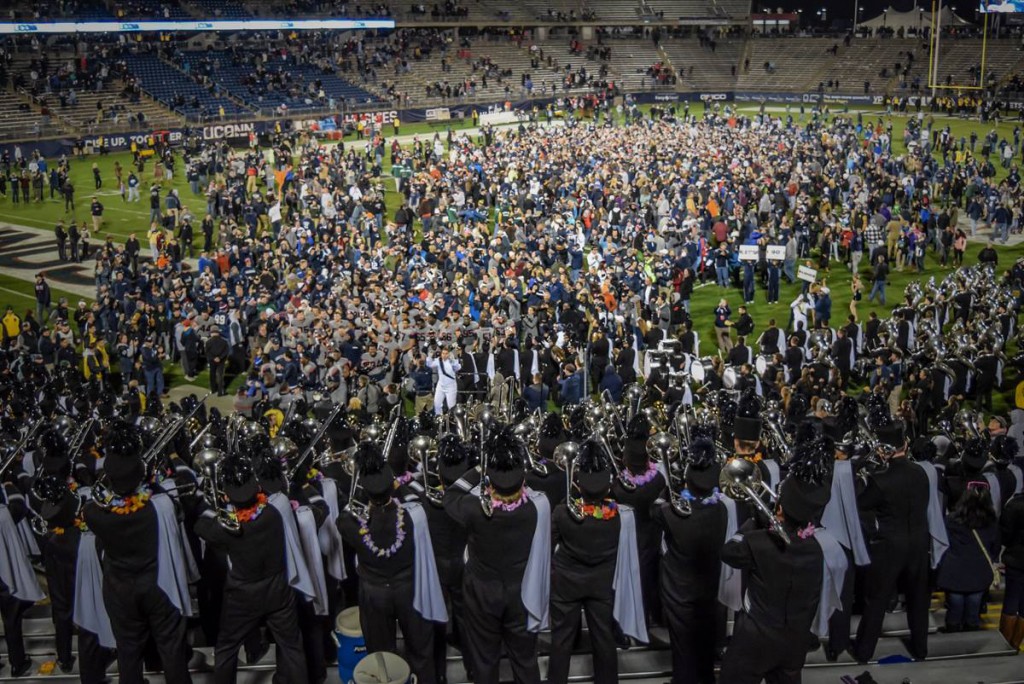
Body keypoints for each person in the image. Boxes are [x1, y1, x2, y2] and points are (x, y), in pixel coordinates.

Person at [718, 437, 847, 684]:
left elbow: (728, 552)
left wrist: (753, 522)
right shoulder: (826, 548)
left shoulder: (757, 542)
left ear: (780, 509)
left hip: (754, 640)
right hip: (795, 640)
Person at [82, 420, 194, 684]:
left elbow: (96, 498)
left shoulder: (94, 513)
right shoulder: (159, 506)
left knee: (128, 655)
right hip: (157, 587)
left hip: (120, 590)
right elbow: (177, 492)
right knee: (172, 651)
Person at [443, 426, 550, 684]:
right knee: (525, 661)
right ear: (521, 481)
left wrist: (481, 467)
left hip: (481, 592)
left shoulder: (473, 508)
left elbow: (451, 494)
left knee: (484, 661)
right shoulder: (538, 507)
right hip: (521, 593)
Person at [190, 453, 308, 683]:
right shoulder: (274, 513)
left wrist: (210, 502)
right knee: (292, 647)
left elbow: (200, 526)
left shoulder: (226, 528)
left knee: (226, 649)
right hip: (278, 590)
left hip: (242, 596)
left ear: (226, 495)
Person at [339, 441, 445, 683]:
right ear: (392, 486)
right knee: (420, 650)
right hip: (409, 589)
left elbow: (346, 512)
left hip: (374, 593)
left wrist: (362, 489)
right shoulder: (414, 515)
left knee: (381, 655)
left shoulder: (348, 522)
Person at [547, 441, 646, 684]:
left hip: (567, 585)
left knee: (561, 642)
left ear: (579, 483)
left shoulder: (562, 512)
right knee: (603, 640)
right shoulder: (619, 517)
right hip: (602, 585)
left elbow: (548, 545)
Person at [852, 399, 933, 663]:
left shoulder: (881, 478)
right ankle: (921, 649)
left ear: (884, 450)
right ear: (905, 445)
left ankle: (864, 651)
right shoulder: (921, 473)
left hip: (890, 545)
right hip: (919, 542)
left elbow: (861, 504)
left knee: (877, 600)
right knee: (918, 599)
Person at [653, 436, 735, 684]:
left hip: (679, 593)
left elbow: (654, 508)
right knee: (704, 645)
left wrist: (669, 487)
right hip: (707, 590)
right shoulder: (722, 509)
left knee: (683, 650)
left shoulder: (670, 513)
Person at [937, 483, 1000, 632]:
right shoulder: (991, 522)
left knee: (954, 609)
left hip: (954, 572)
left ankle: (953, 635)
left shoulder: (951, 520)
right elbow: (995, 548)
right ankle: (971, 634)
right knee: (973, 610)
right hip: (979, 572)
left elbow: (942, 544)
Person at [1001, 486, 1024, 648]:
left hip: (1015, 559)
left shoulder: (1014, 505)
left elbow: (1005, 535)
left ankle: (1004, 643)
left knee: (1011, 600)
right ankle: (1016, 642)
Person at [426, 347, 460, 414]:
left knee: (451, 407)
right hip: (440, 386)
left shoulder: (452, 361)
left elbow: (458, 368)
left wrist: (453, 361)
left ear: (449, 354)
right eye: (443, 353)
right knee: (437, 404)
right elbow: (429, 365)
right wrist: (429, 357)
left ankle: (451, 421)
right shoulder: (438, 360)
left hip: (451, 387)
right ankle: (439, 419)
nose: (444, 355)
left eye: (446, 353)